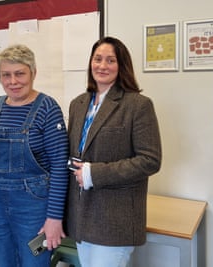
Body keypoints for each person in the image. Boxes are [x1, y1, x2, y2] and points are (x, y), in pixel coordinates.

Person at [65, 37, 162, 267]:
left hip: (114, 220)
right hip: (81, 217)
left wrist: (94, 174)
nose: (102, 66)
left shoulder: (137, 105)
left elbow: (150, 160)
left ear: (122, 66)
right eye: (97, 59)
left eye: (111, 60)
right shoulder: (78, 104)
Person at [0, 44, 69, 267]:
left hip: (34, 206)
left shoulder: (47, 108)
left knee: (35, 260)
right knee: (4, 261)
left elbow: (60, 167)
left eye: (20, 73)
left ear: (33, 73)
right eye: (6, 75)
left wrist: (54, 218)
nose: (13, 81)